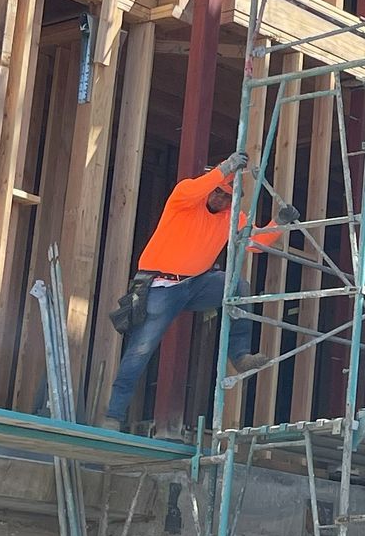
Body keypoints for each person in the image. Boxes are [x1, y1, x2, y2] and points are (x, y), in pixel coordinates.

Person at [106, 153, 285, 427]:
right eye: (217, 192)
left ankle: (239, 355)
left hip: (196, 284)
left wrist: (279, 223)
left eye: (227, 196)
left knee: (238, 285)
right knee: (140, 350)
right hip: (160, 289)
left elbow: (254, 243)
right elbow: (195, 188)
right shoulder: (185, 200)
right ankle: (114, 415)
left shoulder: (230, 216)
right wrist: (223, 169)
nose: (220, 199)